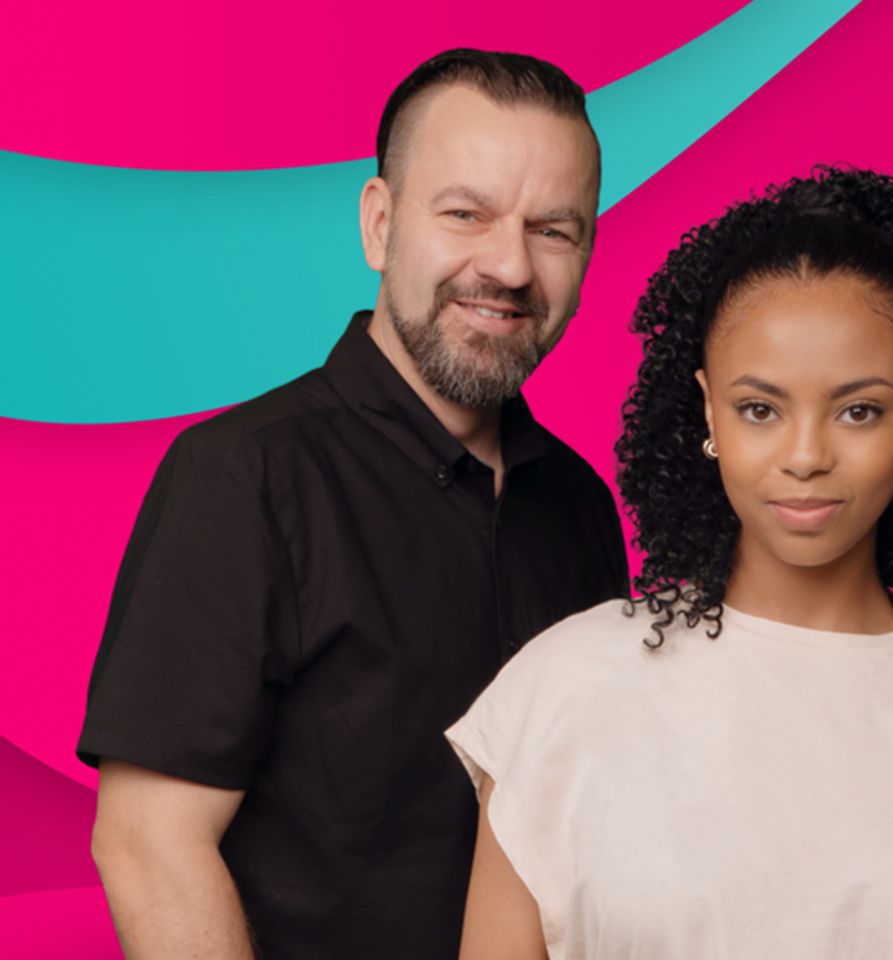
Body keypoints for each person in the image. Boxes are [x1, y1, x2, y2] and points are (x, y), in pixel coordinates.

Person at [445, 167, 893, 959]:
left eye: (859, 410)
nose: (805, 456)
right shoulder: (563, 689)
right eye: (760, 409)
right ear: (709, 410)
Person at [78, 49, 628, 959]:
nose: (509, 265)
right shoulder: (243, 477)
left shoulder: (581, 508)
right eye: (466, 213)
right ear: (380, 224)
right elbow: (148, 844)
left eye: (554, 231)